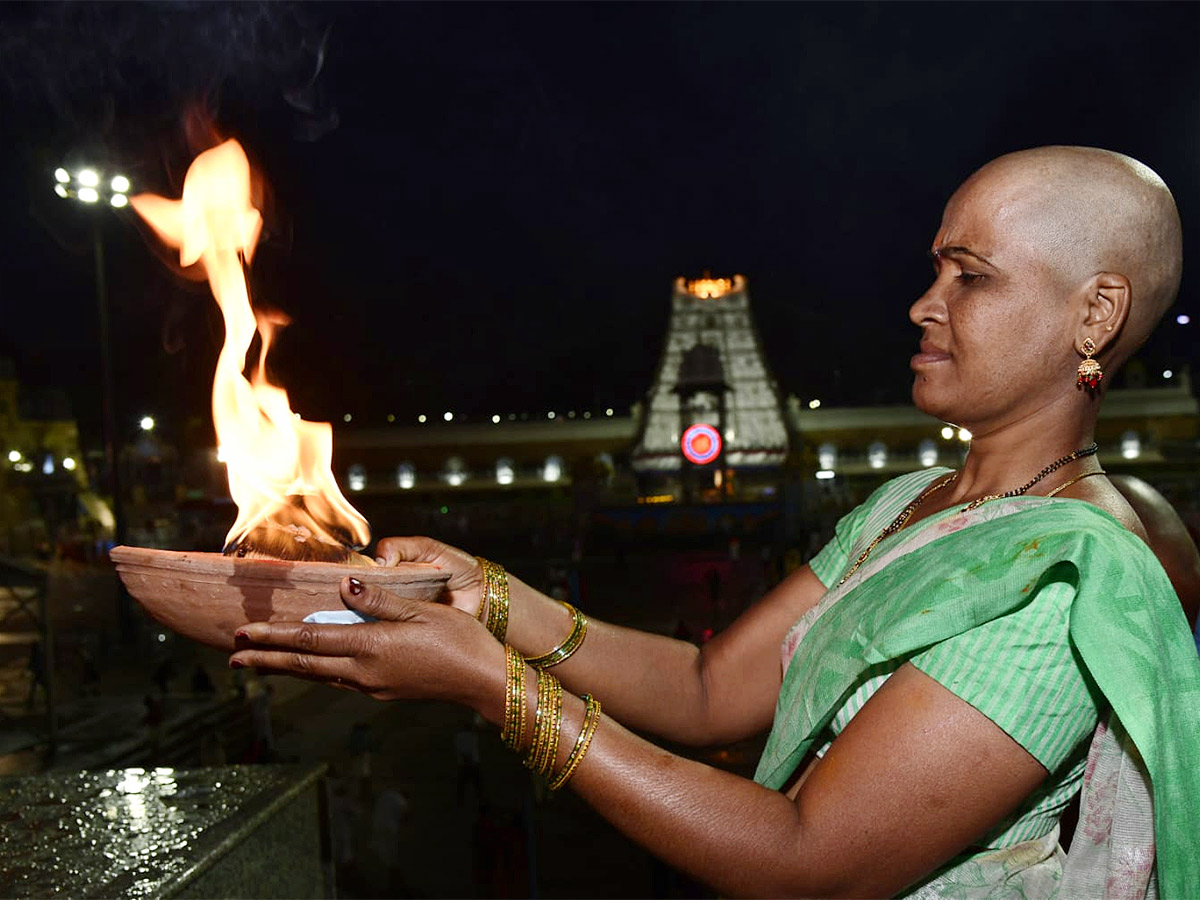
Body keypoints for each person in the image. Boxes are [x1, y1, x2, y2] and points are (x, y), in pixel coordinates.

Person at [228, 147, 1200, 898]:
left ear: (1095, 314)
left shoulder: (1067, 571)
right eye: (933, 271)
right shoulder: (911, 504)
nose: (922, 304)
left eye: (970, 276)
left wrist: (492, 685)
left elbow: (809, 864)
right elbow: (706, 690)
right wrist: (489, 599)